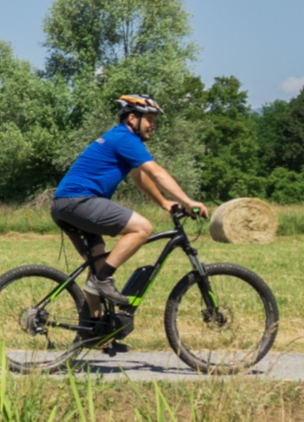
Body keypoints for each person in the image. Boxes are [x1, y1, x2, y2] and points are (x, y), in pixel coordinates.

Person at [51, 94, 208, 303]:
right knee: (142, 228)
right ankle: (103, 280)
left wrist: (164, 202)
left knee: (97, 267)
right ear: (132, 118)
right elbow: (156, 172)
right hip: (80, 201)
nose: (153, 126)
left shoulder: (117, 137)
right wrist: (189, 202)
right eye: (150, 120)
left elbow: (139, 177)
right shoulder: (126, 138)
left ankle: (96, 329)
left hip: (65, 205)